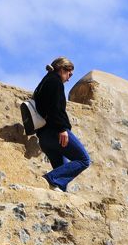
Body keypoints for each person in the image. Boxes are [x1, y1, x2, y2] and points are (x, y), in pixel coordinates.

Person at [33, 56, 90, 192]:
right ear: (62, 69)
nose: (69, 78)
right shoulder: (55, 82)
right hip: (55, 132)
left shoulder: (44, 83)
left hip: (44, 137)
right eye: (69, 74)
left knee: (61, 182)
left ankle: (56, 191)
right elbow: (55, 108)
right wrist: (62, 129)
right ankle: (49, 178)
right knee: (83, 159)